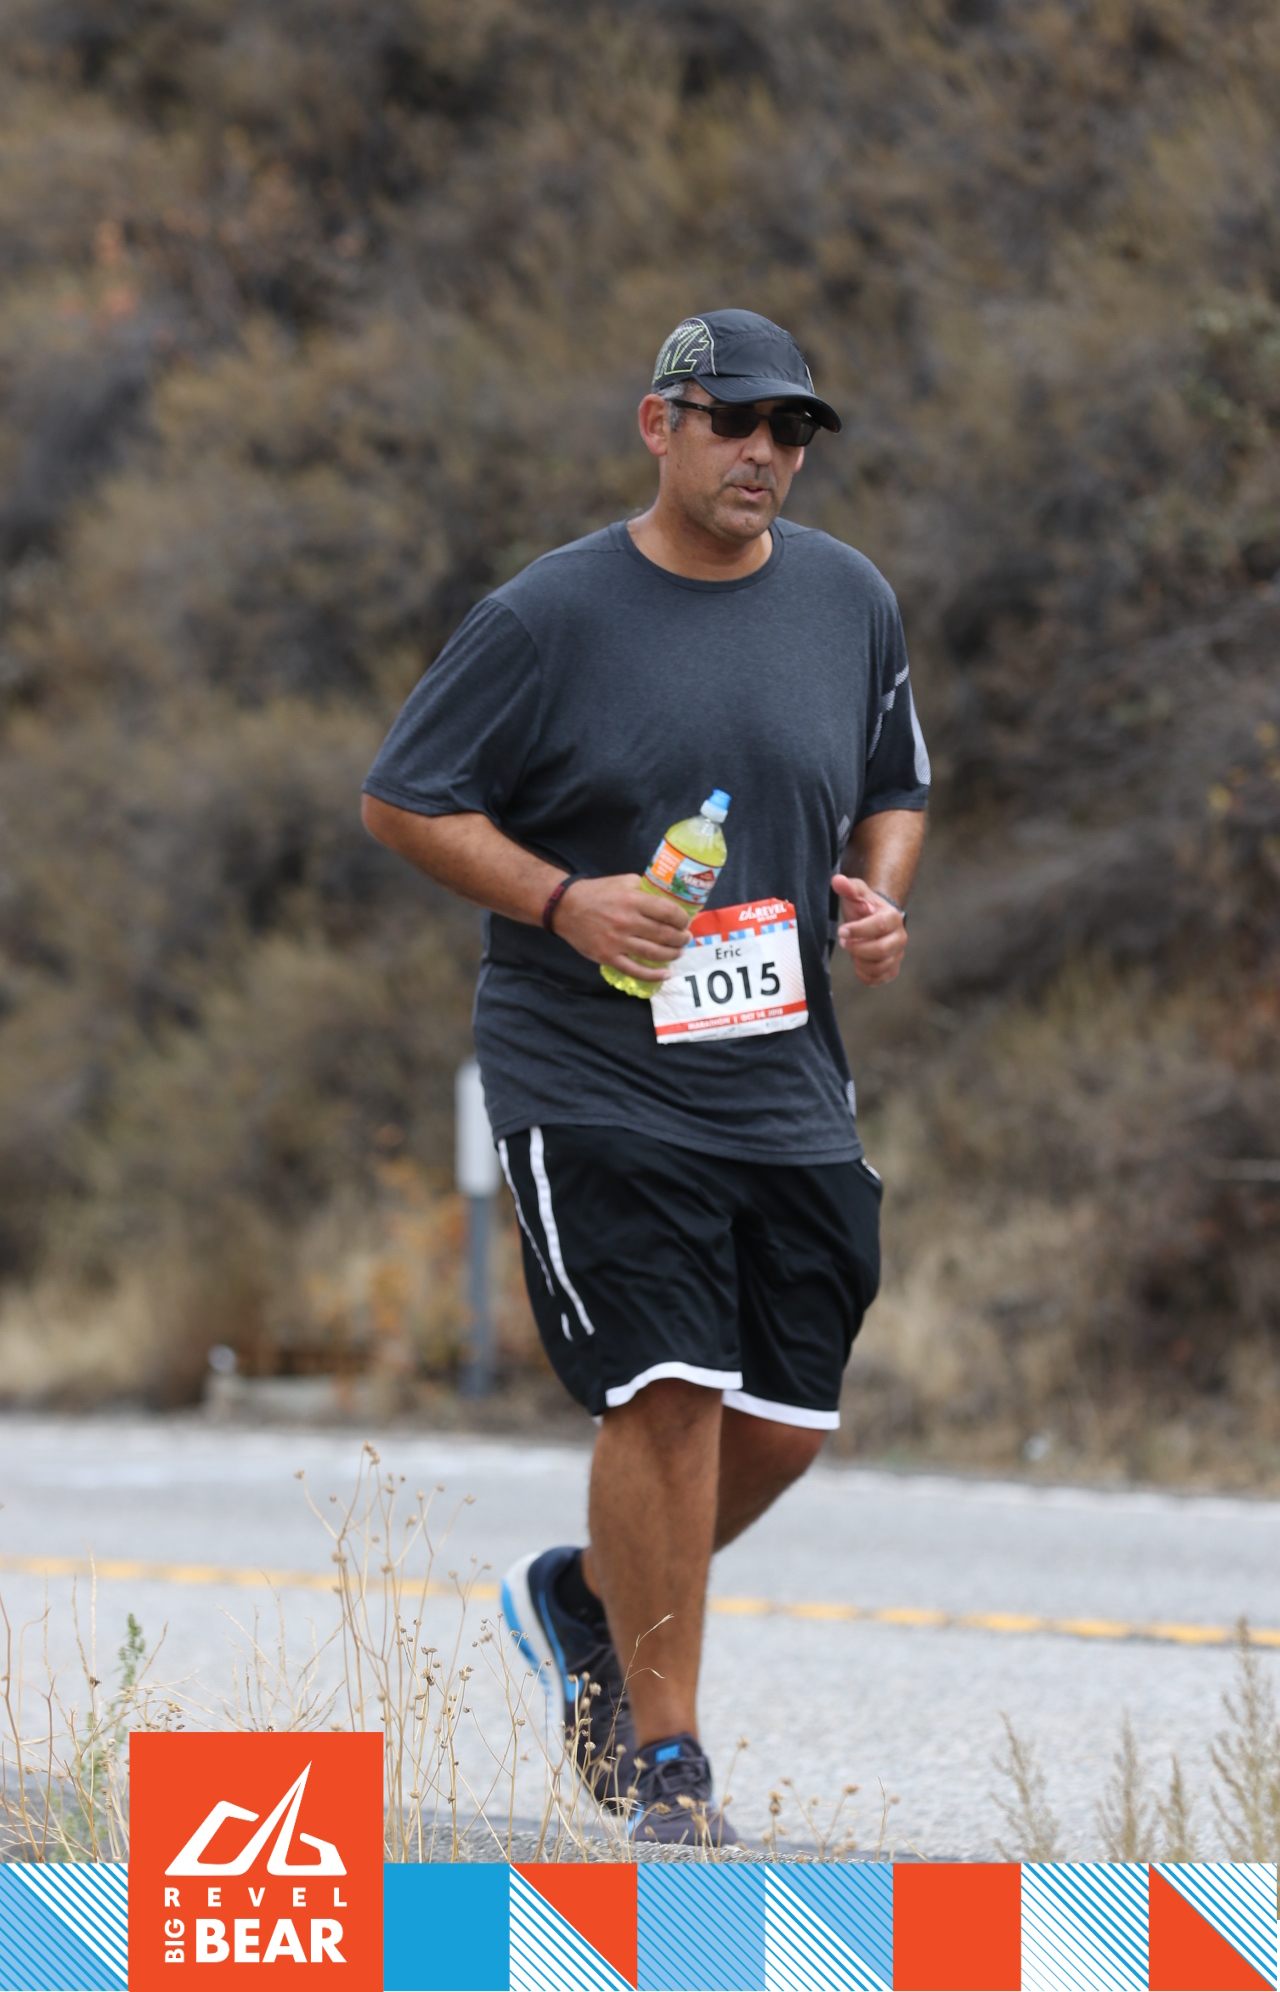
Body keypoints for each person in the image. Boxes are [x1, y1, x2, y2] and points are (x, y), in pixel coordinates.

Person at [361, 308, 930, 1844]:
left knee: (784, 1418)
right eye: (734, 420)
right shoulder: (547, 616)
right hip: (588, 1067)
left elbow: (895, 784)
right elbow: (406, 799)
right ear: (657, 425)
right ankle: (668, 1766)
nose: (765, 453)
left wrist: (877, 897)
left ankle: (581, 1596)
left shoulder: (849, 600)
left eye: (792, 429)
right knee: (667, 1388)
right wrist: (565, 900)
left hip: (782, 1069)